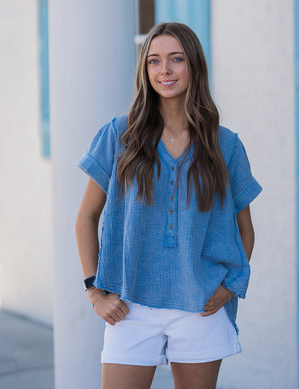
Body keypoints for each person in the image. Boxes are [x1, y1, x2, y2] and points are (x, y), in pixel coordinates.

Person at [75, 22, 262, 389]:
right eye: (154, 61)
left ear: (193, 66)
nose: (165, 70)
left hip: (200, 305)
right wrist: (94, 292)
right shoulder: (119, 135)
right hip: (128, 306)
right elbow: (86, 217)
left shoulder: (225, 146)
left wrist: (232, 284)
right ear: (145, 71)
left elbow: (245, 230)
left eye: (176, 59)